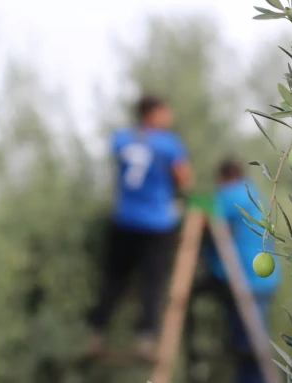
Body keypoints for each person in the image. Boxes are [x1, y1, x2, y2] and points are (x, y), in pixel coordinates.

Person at [84, 95, 194, 361]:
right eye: (165, 112)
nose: (169, 118)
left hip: (124, 220)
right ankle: (145, 339)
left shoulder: (121, 139)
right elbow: (184, 178)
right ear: (152, 113)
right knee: (152, 282)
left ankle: (95, 333)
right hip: (156, 223)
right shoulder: (168, 144)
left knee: (113, 280)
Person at [190, 158, 281, 383]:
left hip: (243, 278)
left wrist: (189, 202)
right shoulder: (253, 194)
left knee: (249, 347)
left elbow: (205, 211)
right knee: (251, 346)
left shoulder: (233, 193)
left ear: (225, 177)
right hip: (259, 281)